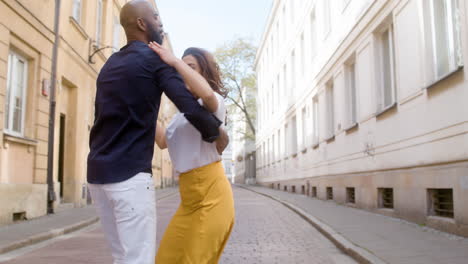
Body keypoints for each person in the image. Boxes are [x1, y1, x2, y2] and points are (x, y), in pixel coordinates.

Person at [86, 1, 228, 263]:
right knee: (138, 258)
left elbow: (112, 113)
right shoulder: (156, 59)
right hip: (129, 176)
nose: (161, 22)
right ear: (141, 23)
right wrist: (215, 132)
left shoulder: (109, 65)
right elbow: (189, 107)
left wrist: (144, 107)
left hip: (97, 175)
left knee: (122, 257)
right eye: (156, 16)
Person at [149, 42, 235, 264]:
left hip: (212, 197)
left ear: (204, 72)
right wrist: (139, 105)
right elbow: (160, 141)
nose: (182, 71)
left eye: (191, 67)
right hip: (188, 201)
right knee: (165, 259)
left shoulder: (214, 104)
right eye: (182, 67)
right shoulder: (180, 116)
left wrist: (175, 61)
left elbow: (206, 94)